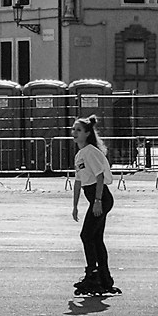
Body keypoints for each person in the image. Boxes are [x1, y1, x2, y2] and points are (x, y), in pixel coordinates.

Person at [69, 117, 118, 295]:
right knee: (96, 239)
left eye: (79, 130)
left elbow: (99, 177)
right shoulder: (80, 154)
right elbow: (78, 182)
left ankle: (93, 274)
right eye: (74, 129)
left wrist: (97, 201)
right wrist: (75, 206)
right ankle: (105, 279)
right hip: (94, 198)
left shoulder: (90, 151)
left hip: (101, 198)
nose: (74, 133)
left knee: (86, 235)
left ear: (88, 133)